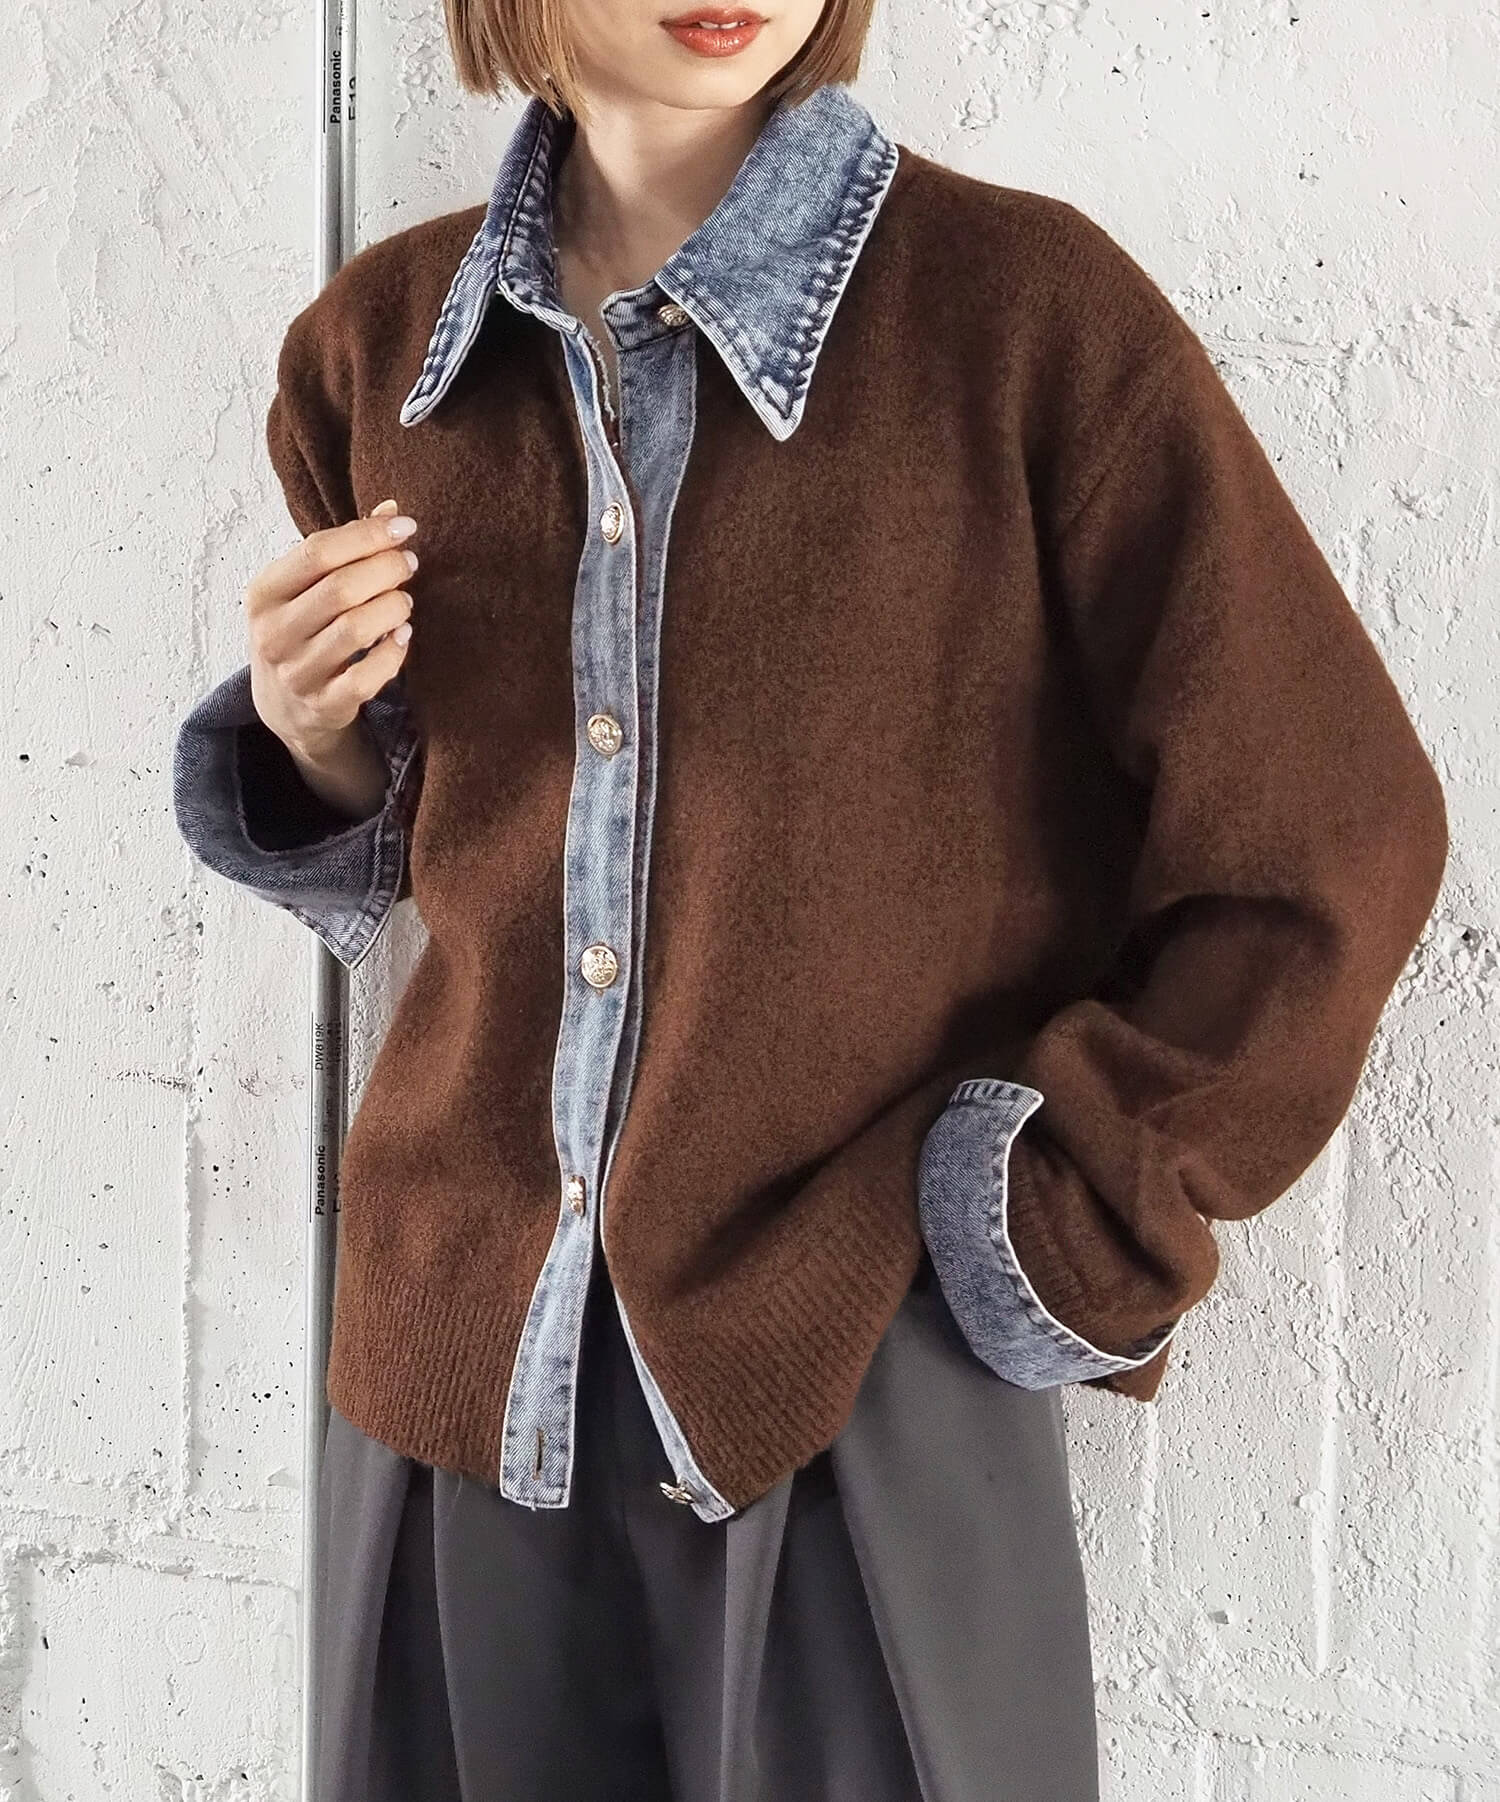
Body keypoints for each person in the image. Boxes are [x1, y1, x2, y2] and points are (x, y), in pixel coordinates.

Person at [170, 1, 1450, 1797]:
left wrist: (1055, 1223)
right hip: (456, 1389)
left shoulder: (1028, 322)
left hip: (851, 1382)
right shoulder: (372, 351)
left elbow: (1332, 828)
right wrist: (310, 742)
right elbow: (458, 844)